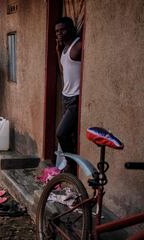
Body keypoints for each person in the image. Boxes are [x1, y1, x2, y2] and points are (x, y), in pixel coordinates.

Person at [55, 17, 82, 174]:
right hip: (66, 97)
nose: (59, 33)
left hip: (76, 99)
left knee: (61, 133)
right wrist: (58, 52)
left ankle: (71, 165)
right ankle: (70, 163)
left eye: (62, 30)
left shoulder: (78, 46)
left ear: (71, 29)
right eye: (57, 31)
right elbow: (63, 72)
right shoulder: (64, 49)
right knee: (68, 135)